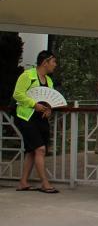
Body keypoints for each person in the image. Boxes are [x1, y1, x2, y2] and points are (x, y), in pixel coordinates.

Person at [13, 50, 59, 193]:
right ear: (45, 62)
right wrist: (34, 104)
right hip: (26, 117)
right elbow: (17, 94)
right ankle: (45, 183)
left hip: (41, 119)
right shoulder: (27, 76)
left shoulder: (49, 80)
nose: (55, 65)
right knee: (40, 149)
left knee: (32, 150)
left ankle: (23, 182)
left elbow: (49, 98)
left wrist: (49, 108)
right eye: (53, 62)